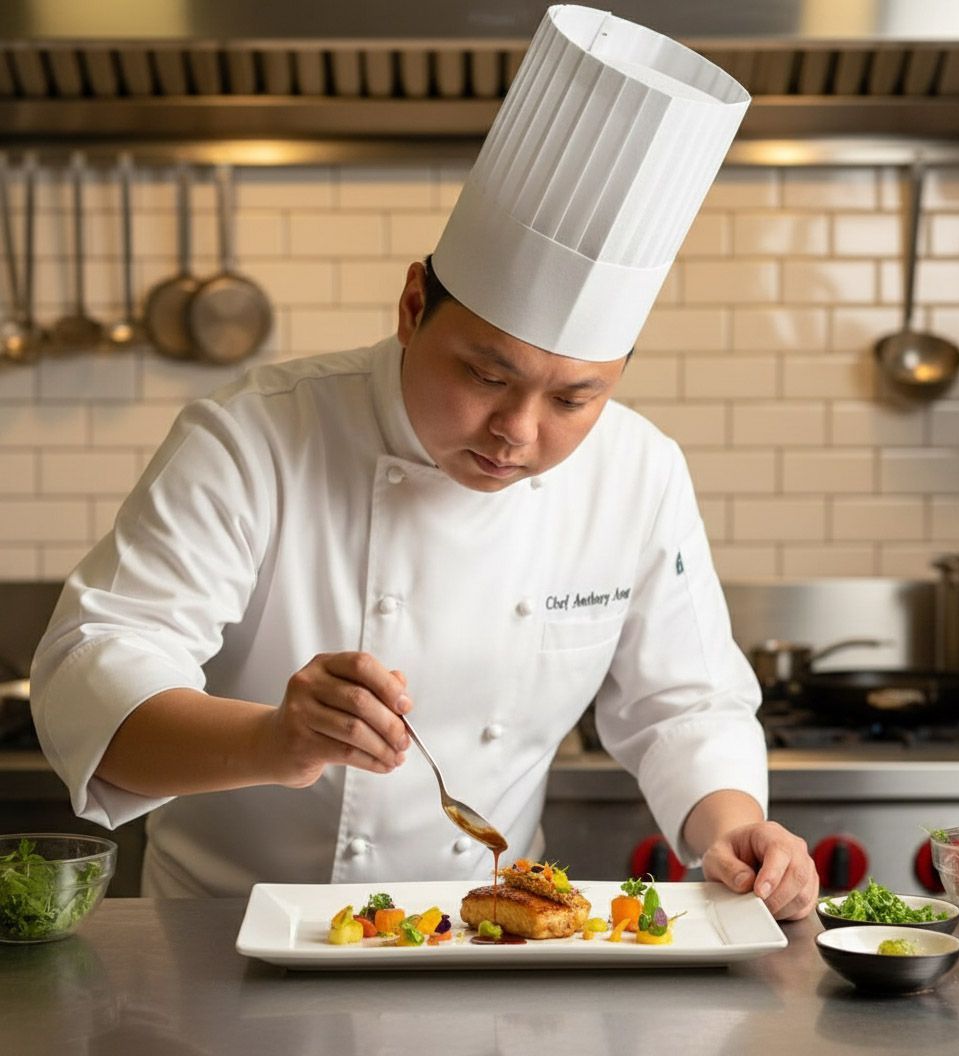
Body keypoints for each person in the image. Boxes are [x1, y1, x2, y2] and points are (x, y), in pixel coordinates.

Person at [31, 6, 818, 918]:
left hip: (493, 941)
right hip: (221, 951)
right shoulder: (254, 437)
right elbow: (95, 674)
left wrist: (728, 825)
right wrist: (271, 741)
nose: (518, 432)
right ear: (413, 306)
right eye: (487, 374)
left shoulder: (639, 472)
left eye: (575, 398)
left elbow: (685, 705)